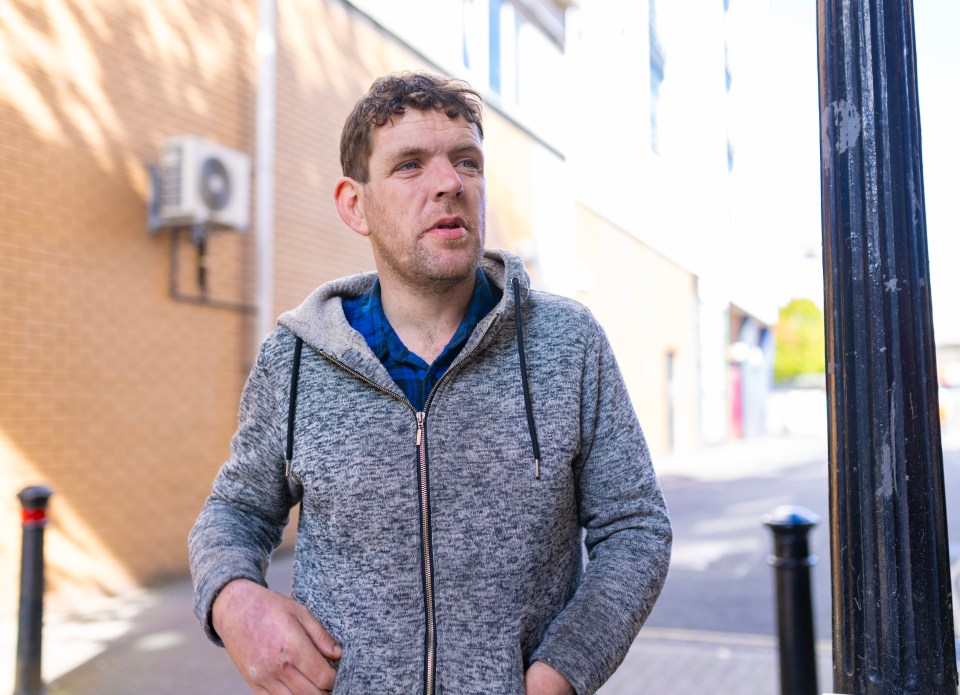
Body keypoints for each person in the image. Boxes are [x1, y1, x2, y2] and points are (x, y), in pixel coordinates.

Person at [189, 71, 672, 695]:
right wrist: (233, 602)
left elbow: (635, 527)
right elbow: (235, 510)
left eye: (466, 162)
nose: (449, 183)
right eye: (410, 165)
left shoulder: (568, 342)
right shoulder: (297, 356)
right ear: (354, 204)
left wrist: (561, 674)